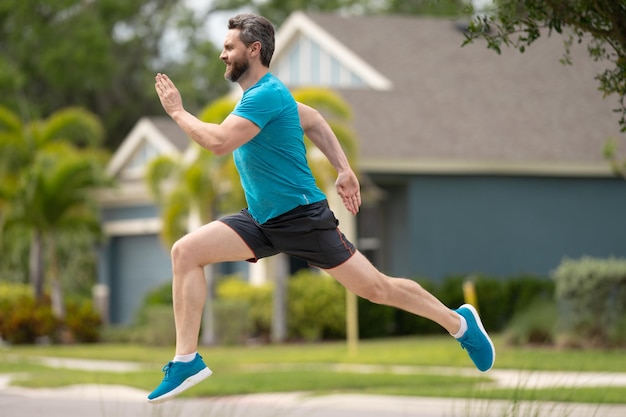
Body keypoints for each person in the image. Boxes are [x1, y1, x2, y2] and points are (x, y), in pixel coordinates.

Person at [148, 13, 495, 404]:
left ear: (254, 49)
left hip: (302, 218)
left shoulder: (266, 94)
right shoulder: (263, 96)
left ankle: (459, 323)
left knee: (377, 288)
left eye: (229, 47)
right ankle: (186, 360)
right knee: (186, 252)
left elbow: (218, 142)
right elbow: (312, 119)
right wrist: (343, 169)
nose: (221, 54)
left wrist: (177, 112)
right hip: (261, 218)